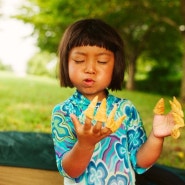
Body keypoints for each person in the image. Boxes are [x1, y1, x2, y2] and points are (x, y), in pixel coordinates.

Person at [51, 18, 175, 185]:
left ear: (116, 65)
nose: (90, 69)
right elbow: (70, 171)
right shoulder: (64, 112)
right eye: (79, 60)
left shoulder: (125, 110)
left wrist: (156, 137)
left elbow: (140, 162)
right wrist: (85, 145)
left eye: (101, 61)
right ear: (66, 63)